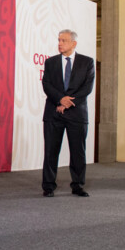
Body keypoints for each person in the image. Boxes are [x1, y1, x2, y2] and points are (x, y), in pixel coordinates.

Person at [41, 29, 95, 197]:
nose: (60, 43)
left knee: (78, 151)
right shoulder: (51, 63)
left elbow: (87, 88)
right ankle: (48, 186)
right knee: (51, 151)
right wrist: (60, 100)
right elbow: (47, 85)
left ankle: (77, 185)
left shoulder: (87, 62)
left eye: (63, 40)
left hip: (77, 114)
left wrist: (68, 103)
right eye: (59, 40)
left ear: (73, 43)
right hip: (53, 113)